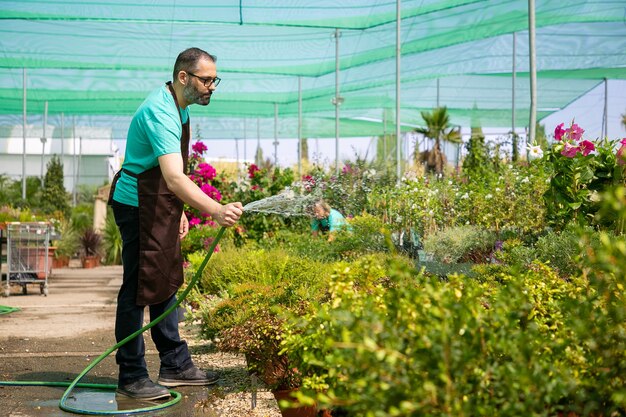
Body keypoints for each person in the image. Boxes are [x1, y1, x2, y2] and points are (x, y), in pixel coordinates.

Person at [107, 47, 243, 401]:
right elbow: (173, 176)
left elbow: (172, 172)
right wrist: (215, 209)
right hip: (137, 204)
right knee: (137, 289)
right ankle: (132, 375)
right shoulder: (160, 110)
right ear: (184, 77)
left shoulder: (179, 107)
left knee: (166, 279)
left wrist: (178, 209)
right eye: (206, 79)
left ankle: (175, 364)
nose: (212, 86)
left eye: (215, 79)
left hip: (160, 202)